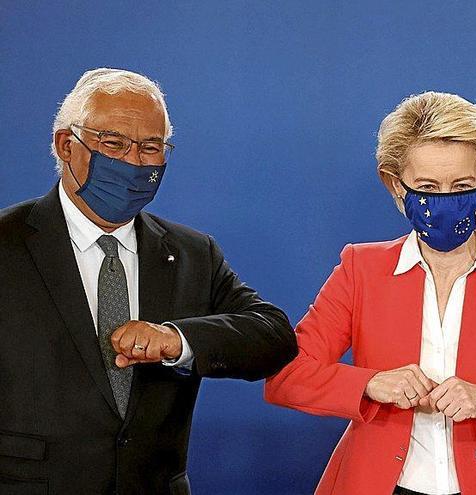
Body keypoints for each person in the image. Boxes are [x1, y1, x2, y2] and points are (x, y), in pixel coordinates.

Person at [265, 91, 476, 495]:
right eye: (426, 186)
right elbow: (286, 377)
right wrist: (370, 384)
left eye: (462, 185)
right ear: (395, 185)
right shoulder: (361, 269)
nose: (445, 200)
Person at [0, 68, 297, 494]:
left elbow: (273, 335)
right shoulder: (6, 244)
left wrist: (177, 340)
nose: (133, 162)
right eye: (114, 144)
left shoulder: (192, 252)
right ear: (67, 145)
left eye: (150, 148)